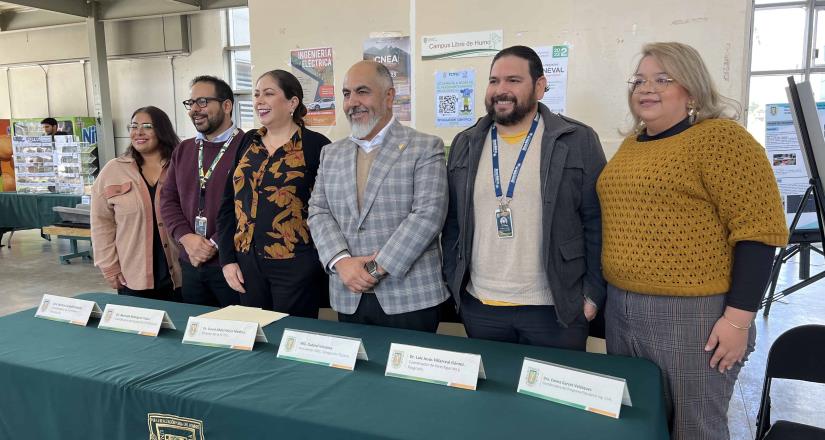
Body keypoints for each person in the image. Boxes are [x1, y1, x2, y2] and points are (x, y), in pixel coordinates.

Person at [596, 42, 788, 439]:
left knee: (695, 429)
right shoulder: (632, 146)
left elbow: (758, 234)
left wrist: (738, 321)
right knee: (638, 423)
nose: (646, 89)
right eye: (639, 80)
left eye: (663, 79)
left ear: (693, 90)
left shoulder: (720, 139)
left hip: (693, 316)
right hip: (622, 309)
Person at [441, 46, 607, 350]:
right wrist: (457, 288)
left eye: (513, 81)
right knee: (490, 397)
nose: (501, 90)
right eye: (494, 81)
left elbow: (598, 222)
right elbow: (453, 222)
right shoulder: (466, 143)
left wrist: (593, 294)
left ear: (540, 86)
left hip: (555, 308)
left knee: (553, 397)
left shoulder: (576, 139)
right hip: (481, 305)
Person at [308, 60, 449, 332]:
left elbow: (428, 216)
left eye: (363, 91)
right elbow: (318, 211)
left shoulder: (424, 146)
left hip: (409, 297)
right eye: (347, 94)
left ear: (389, 96)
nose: (352, 102)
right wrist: (341, 263)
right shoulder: (331, 154)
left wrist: (373, 270)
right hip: (348, 294)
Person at [216, 70, 330, 318]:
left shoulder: (316, 146)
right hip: (246, 264)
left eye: (269, 93)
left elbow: (330, 210)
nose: (259, 101)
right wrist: (227, 260)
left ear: (292, 102)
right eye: (257, 94)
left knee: (292, 340)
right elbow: (228, 204)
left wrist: (314, 263)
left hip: (296, 265)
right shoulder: (248, 141)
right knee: (256, 339)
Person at [160, 75, 244, 307]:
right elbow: (168, 200)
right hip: (191, 263)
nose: (195, 109)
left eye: (203, 102)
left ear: (227, 106)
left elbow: (249, 205)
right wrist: (186, 238)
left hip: (232, 264)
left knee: (236, 334)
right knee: (195, 330)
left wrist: (214, 244)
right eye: (191, 103)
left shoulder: (248, 147)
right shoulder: (184, 150)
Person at [91, 106, 182, 300]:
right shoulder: (113, 171)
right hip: (132, 275)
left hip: (181, 275)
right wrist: (109, 266)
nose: (138, 132)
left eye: (147, 126)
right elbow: (101, 223)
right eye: (133, 126)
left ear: (162, 130)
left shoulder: (181, 166)